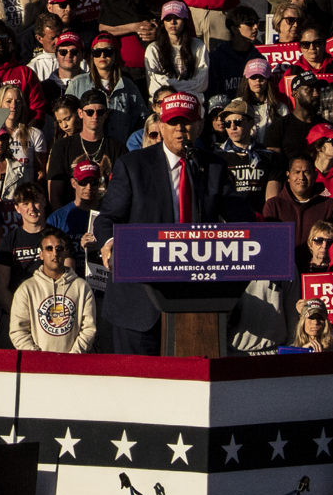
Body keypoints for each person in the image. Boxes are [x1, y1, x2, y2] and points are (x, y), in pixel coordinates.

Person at [98, 94, 235, 351]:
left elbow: (240, 217)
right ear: (161, 126)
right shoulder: (132, 165)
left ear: (200, 126)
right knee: (138, 386)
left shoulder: (214, 167)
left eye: (187, 123)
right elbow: (108, 220)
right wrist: (111, 242)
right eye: (173, 123)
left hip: (195, 305)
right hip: (138, 303)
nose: (180, 130)